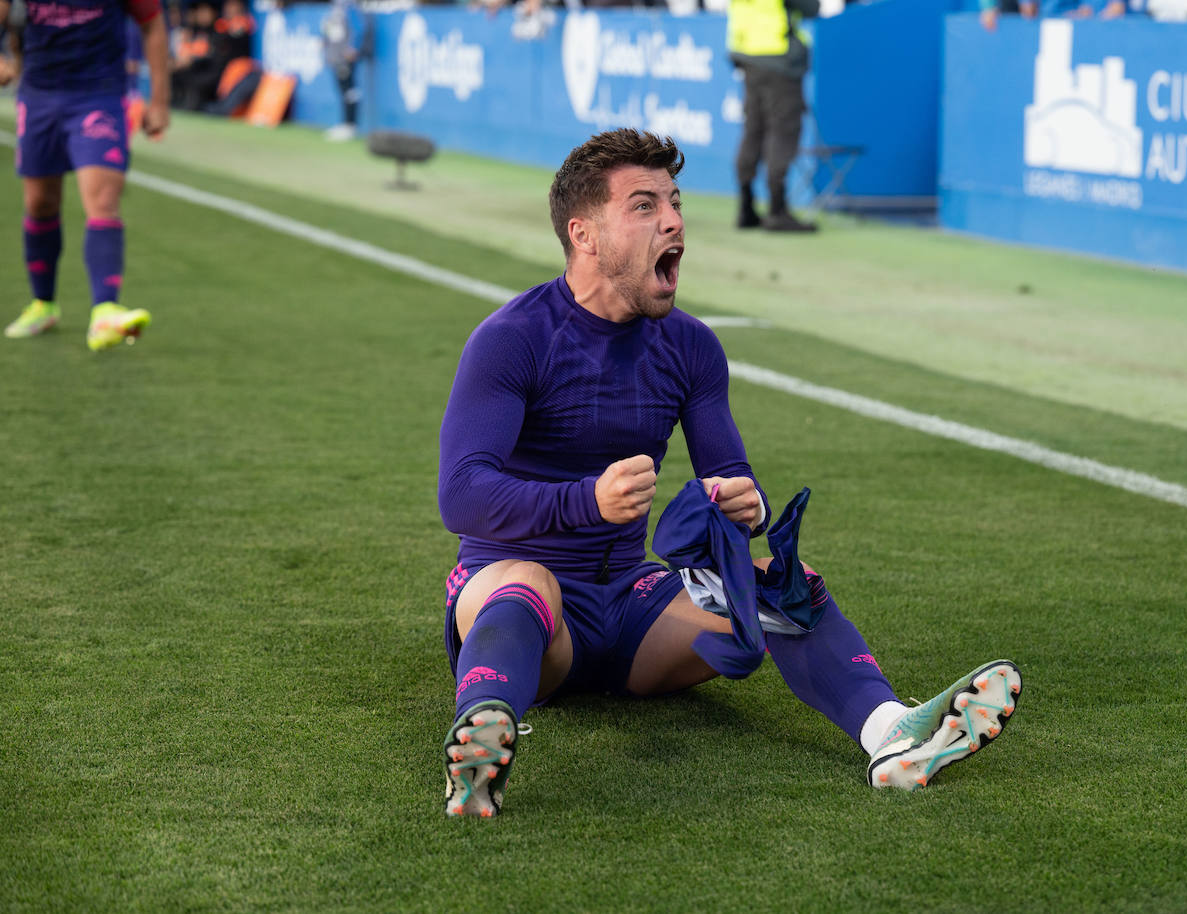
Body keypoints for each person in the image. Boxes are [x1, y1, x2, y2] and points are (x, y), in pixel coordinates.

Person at [436, 128, 1022, 818]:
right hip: (521, 604)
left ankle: (890, 733)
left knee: (779, 582)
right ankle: (480, 738)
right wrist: (587, 500)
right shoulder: (512, 339)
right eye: (645, 205)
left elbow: (739, 487)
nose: (676, 221)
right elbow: (462, 496)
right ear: (584, 235)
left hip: (631, 608)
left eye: (676, 203)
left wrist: (737, 503)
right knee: (528, 580)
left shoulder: (690, 347)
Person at [0, 0, 169, 350]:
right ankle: (43, 304)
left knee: (104, 199)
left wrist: (160, 101)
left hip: (99, 95)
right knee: (40, 202)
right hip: (39, 95)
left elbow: (152, 23)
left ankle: (104, 310)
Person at [727, 0, 819, 232]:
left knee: (753, 131)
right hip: (778, 58)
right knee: (782, 132)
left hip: (747, 53)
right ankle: (777, 210)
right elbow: (811, 8)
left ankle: (746, 205)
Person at [320, 0, 364, 141]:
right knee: (342, 91)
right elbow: (328, 29)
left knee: (349, 91)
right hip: (335, 57)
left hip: (345, 59)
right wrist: (324, 40)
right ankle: (345, 123)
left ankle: (350, 125)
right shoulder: (334, 10)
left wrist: (353, 47)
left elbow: (359, 29)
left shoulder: (350, 9)